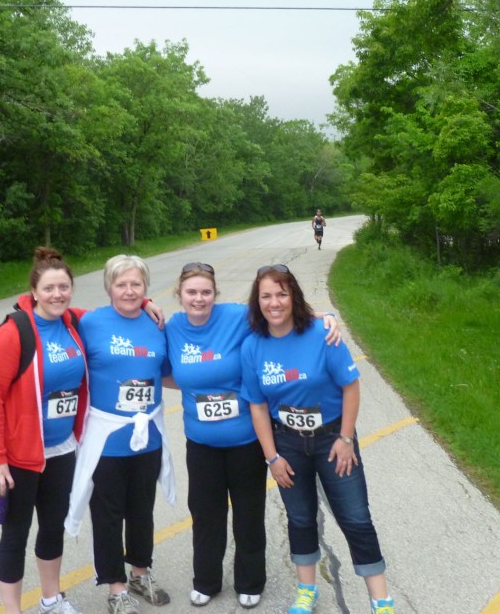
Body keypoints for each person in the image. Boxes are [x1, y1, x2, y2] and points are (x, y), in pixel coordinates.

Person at [165, 262, 343, 609]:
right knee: (205, 513)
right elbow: (162, 371)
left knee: (248, 512)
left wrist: (327, 316)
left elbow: (280, 311)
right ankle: (206, 580)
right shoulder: (172, 327)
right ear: (180, 295)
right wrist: (195, 386)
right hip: (201, 443)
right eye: (191, 292)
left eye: (205, 292)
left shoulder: (236, 316)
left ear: (215, 294)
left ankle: (250, 581)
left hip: (246, 440)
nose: (199, 299)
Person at [240, 264, 396, 614]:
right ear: (257, 301)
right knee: (300, 518)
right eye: (266, 296)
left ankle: (381, 600)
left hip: (332, 440)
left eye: (282, 294)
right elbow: (258, 406)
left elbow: (350, 387)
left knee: (355, 517)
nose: (274, 303)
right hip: (287, 443)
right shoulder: (252, 346)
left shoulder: (323, 334)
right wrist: (272, 457)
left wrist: (346, 438)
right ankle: (306, 591)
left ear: (293, 296)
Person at [0, 247, 89, 614]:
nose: (57, 295)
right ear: (34, 292)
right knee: (15, 534)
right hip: (16, 456)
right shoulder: (13, 334)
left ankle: (51, 599)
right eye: (49, 288)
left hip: (61, 449)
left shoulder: (73, 322)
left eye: (64, 287)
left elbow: (119, 310)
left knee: (53, 527)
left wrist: (148, 302)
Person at [65, 255, 175, 614]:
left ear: (146, 288)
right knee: (108, 516)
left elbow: (168, 372)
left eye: (136, 285)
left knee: (142, 511)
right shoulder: (89, 322)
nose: (129, 291)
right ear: (108, 287)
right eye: (121, 284)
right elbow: (46, 310)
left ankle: (140, 573)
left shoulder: (157, 324)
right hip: (107, 440)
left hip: (147, 438)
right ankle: (116, 588)